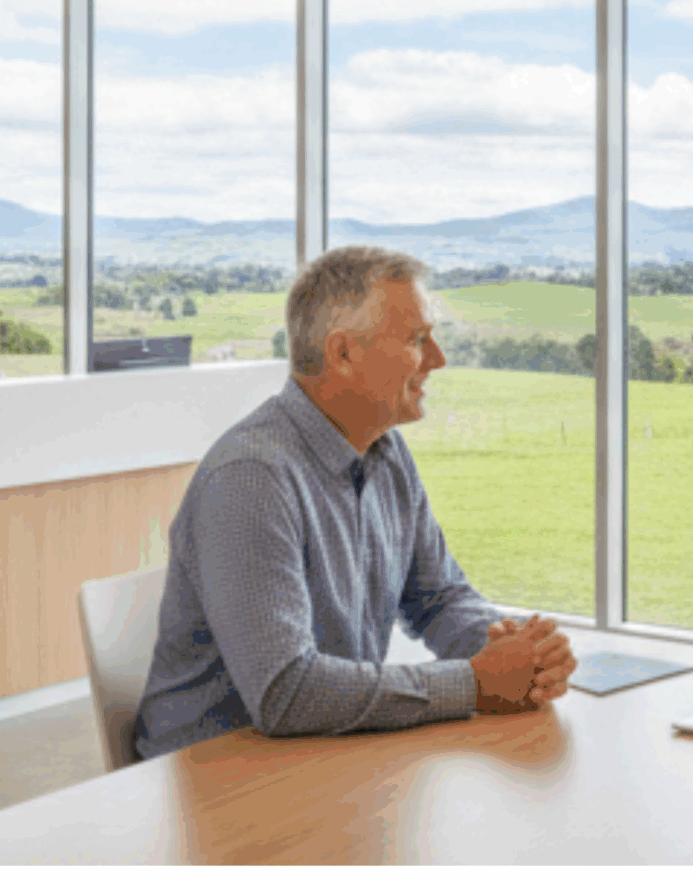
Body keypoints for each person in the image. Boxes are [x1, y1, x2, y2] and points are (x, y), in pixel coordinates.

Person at [131, 246, 577, 760]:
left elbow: (438, 597)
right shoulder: (252, 478)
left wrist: (519, 650)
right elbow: (286, 693)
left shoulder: (385, 451)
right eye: (417, 340)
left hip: (323, 754)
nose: (438, 359)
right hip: (215, 775)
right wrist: (475, 682)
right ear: (343, 354)